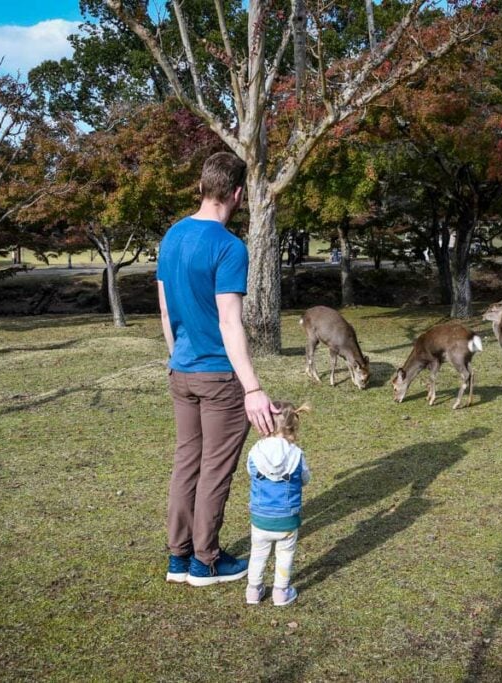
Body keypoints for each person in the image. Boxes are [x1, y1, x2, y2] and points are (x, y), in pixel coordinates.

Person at [157, 151, 276, 587]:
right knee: (214, 469)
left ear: (203, 186)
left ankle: (177, 558)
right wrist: (253, 388)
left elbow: (165, 310)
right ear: (238, 194)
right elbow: (230, 321)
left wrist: (178, 359)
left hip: (182, 371)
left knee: (187, 462)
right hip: (219, 377)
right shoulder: (229, 246)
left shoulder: (171, 236)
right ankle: (204, 561)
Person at [244, 401, 311, 607]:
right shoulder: (296, 454)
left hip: (260, 518)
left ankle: (253, 591)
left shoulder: (256, 451)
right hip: (287, 519)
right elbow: (305, 478)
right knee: (285, 553)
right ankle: (281, 592)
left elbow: (250, 471)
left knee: (258, 553)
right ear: (292, 427)